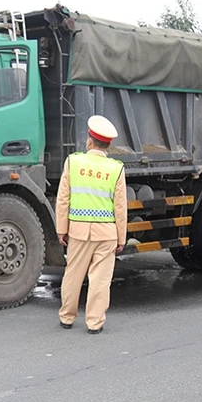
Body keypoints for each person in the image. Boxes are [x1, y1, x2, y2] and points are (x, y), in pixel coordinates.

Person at [56, 115, 128, 334]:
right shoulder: (116, 169)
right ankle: (94, 322)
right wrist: (121, 237)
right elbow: (120, 208)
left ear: (89, 141)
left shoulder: (73, 162)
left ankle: (67, 317)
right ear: (109, 144)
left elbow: (63, 199)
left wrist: (62, 229)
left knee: (73, 274)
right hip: (106, 233)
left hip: (78, 230)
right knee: (100, 280)